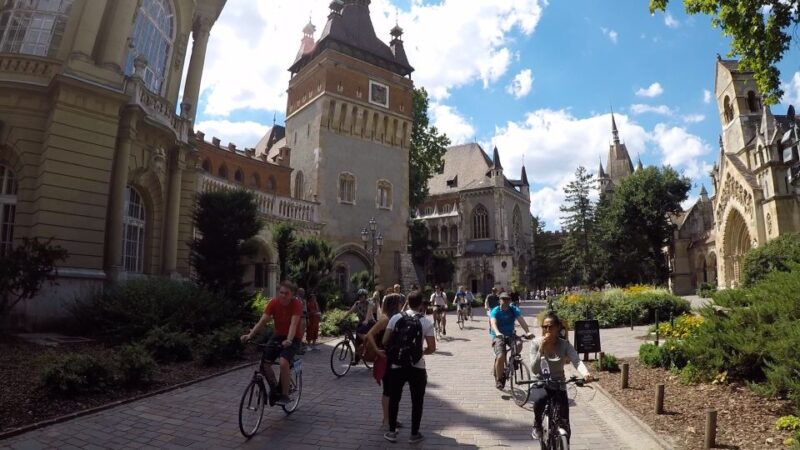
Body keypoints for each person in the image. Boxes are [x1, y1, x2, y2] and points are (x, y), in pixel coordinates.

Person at [529, 312, 594, 442]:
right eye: (544, 327)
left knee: (564, 421)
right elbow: (534, 369)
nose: (547, 330)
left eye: (550, 326)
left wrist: (586, 373)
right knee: (540, 400)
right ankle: (537, 425)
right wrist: (541, 349)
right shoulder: (536, 343)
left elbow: (577, 361)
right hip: (541, 381)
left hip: (559, 383)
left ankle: (564, 443)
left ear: (558, 327)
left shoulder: (564, 344)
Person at [382, 290, 435, 444]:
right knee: (417, 400)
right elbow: (431, 347)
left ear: (407, 303)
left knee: (394, 399)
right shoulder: (426, 322)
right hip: (417, 366)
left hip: (397, 364)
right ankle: (414, 434)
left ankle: (391, 432)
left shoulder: (396, 318)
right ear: (420, 304)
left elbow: (385, 340)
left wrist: (398, 349)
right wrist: (418, 352)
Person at [241, 280, 302, 405]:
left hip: (293, 338)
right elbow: (263, 321)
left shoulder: (296, 304)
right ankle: (274, 388)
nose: (283, 296)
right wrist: (250, 335)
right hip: (278, 335)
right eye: (281, 292)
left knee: (283, 362)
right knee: (265, 363)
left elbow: (294, 324)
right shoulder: (273, 303)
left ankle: (285, 394)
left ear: (292, 294)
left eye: (287, 293)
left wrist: (289, 339)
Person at [365, 293, 405, 431]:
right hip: (385, 357)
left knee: (393, 390)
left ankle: (390, 417)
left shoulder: (392, 318)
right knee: (388, 390)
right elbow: (369, 334)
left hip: (392, 357)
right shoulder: (385, 319)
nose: (401, 304)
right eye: (399, 302)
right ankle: (386, 421)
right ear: (394, 304)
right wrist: (376, 350)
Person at [490, 292, 534, 390]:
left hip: (510, 334)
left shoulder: (513, 309)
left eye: (507, 299)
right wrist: (497, 332)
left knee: (519, 343)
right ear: (499, 300)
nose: (505, 301)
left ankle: (512, 361)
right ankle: (499, 379)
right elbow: (493, 323)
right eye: (503, 299)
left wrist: (528, 332)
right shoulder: (495, 310)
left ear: (510, 300)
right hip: (498, 336)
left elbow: (521, 320)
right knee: (501, 356)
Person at [342, 289, 377, 361]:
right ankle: (357, 358)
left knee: (359, 332)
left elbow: (369, 313)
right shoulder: (357, 304)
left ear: (365, 296)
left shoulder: (369, 303)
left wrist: (366, 320)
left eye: (362, 296)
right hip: (362, 323)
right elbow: (350, 311)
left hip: (370, 322)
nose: (361, 298)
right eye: (360, 296)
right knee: (357, 341)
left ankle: (369, 342)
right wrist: (342, 318)